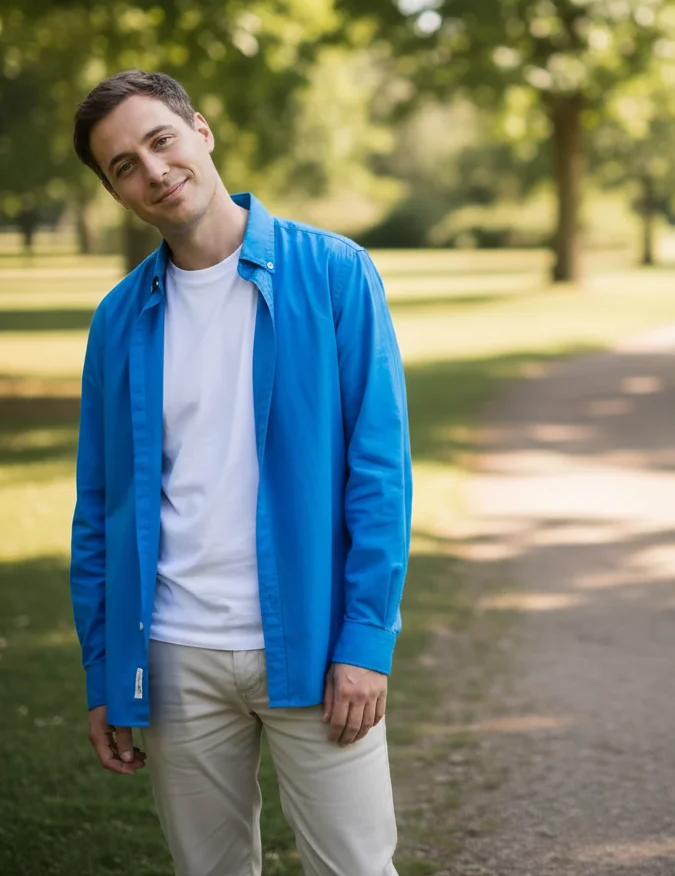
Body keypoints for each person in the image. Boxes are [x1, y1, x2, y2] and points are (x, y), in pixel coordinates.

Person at [69, 69, 412, 876]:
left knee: (355, 869)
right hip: (177, 654)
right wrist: (105, 673)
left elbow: (381, 473)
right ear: (116, 191)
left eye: (161, 141)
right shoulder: (118, 319)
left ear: (202, 131)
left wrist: (366, 639)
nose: (152, 170)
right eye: (124, 166)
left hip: (317, 646)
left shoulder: (335, 274)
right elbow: (99, 509)